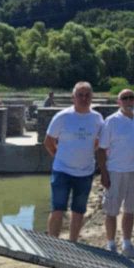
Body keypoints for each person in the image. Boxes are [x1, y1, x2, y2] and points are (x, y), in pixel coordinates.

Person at [44, 82, 104, 242]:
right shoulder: (63, 117)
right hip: (62, 171)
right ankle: (53, 244)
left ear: (92, 97)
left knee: (79, 210)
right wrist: (60, 157)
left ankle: (73, 244)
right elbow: (49, 141)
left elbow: (99, 142)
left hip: (85, 172)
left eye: (87, 95)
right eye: (80, 95)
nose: (84, 98)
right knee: (58, 209)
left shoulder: (97, 118)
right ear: (73, 97)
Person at [96, 88, 134, 259]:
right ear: (118, 102)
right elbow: (101, 149)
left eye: (131, 97)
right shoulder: (111, 121)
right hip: (115, 171)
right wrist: (103, 173)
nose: (128, 101)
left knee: (130, 209)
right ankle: (111, 245)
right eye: (124, 98)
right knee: (111, 210)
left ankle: (127, 244)